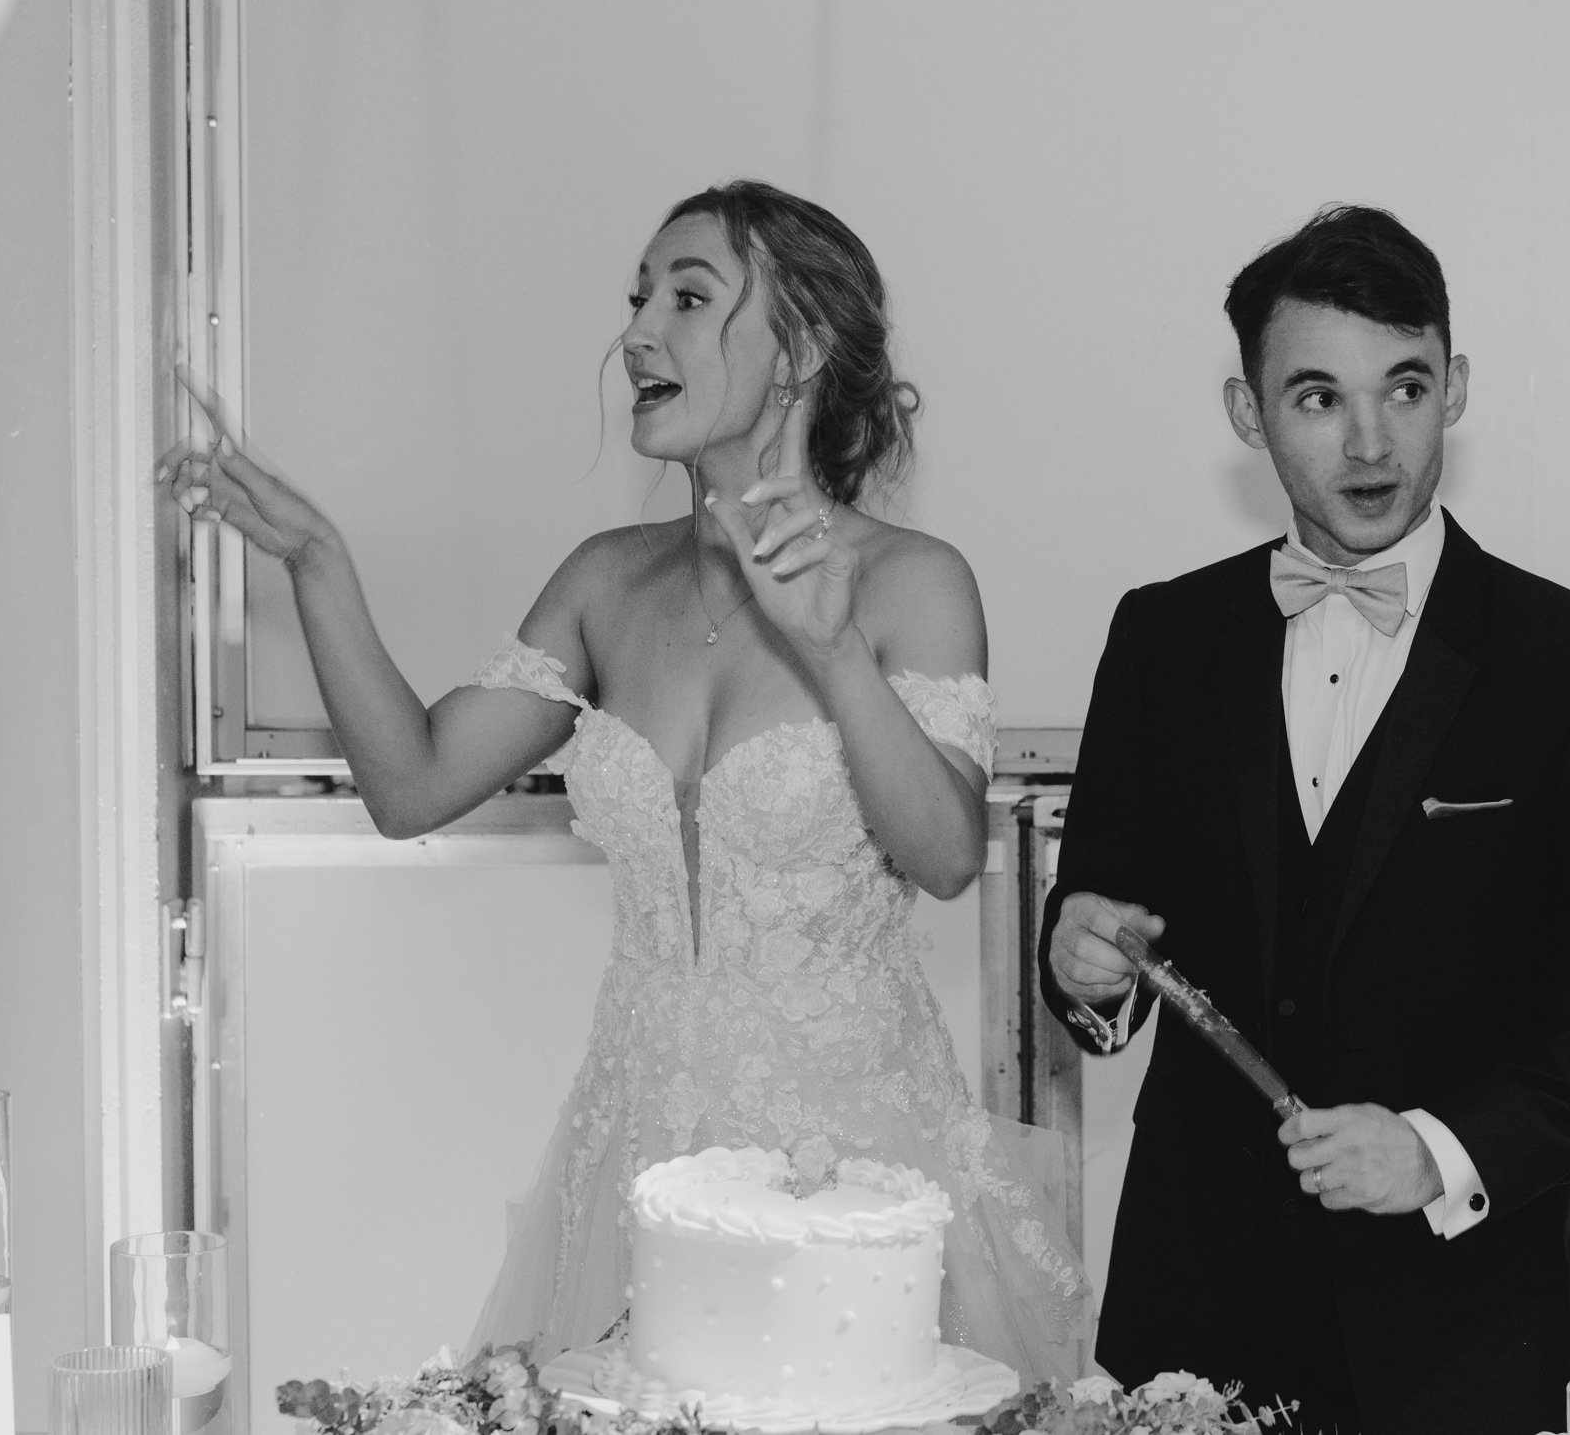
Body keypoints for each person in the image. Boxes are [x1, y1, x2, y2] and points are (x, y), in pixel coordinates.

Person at [163, 180, 1090, 1381]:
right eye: (639, 298)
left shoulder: (911, 581)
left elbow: (948, 854)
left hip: (852, 1174)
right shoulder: (606, 580)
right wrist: (317, 561)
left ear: (800, 345)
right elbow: (411, 786)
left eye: (689, 298)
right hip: (637, 1156)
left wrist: (827, 653)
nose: (638, 331)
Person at [1040, 205, 1570, 1433]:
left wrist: (1440, 1146)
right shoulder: (1159, 639)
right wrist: (1080, 960)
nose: (1370, 442)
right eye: (1316, 397)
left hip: (1459, 1325)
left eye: (1403, 388)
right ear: (1246, 413)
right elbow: (1102, 950)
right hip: (1187, 1300)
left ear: (1453, 389)